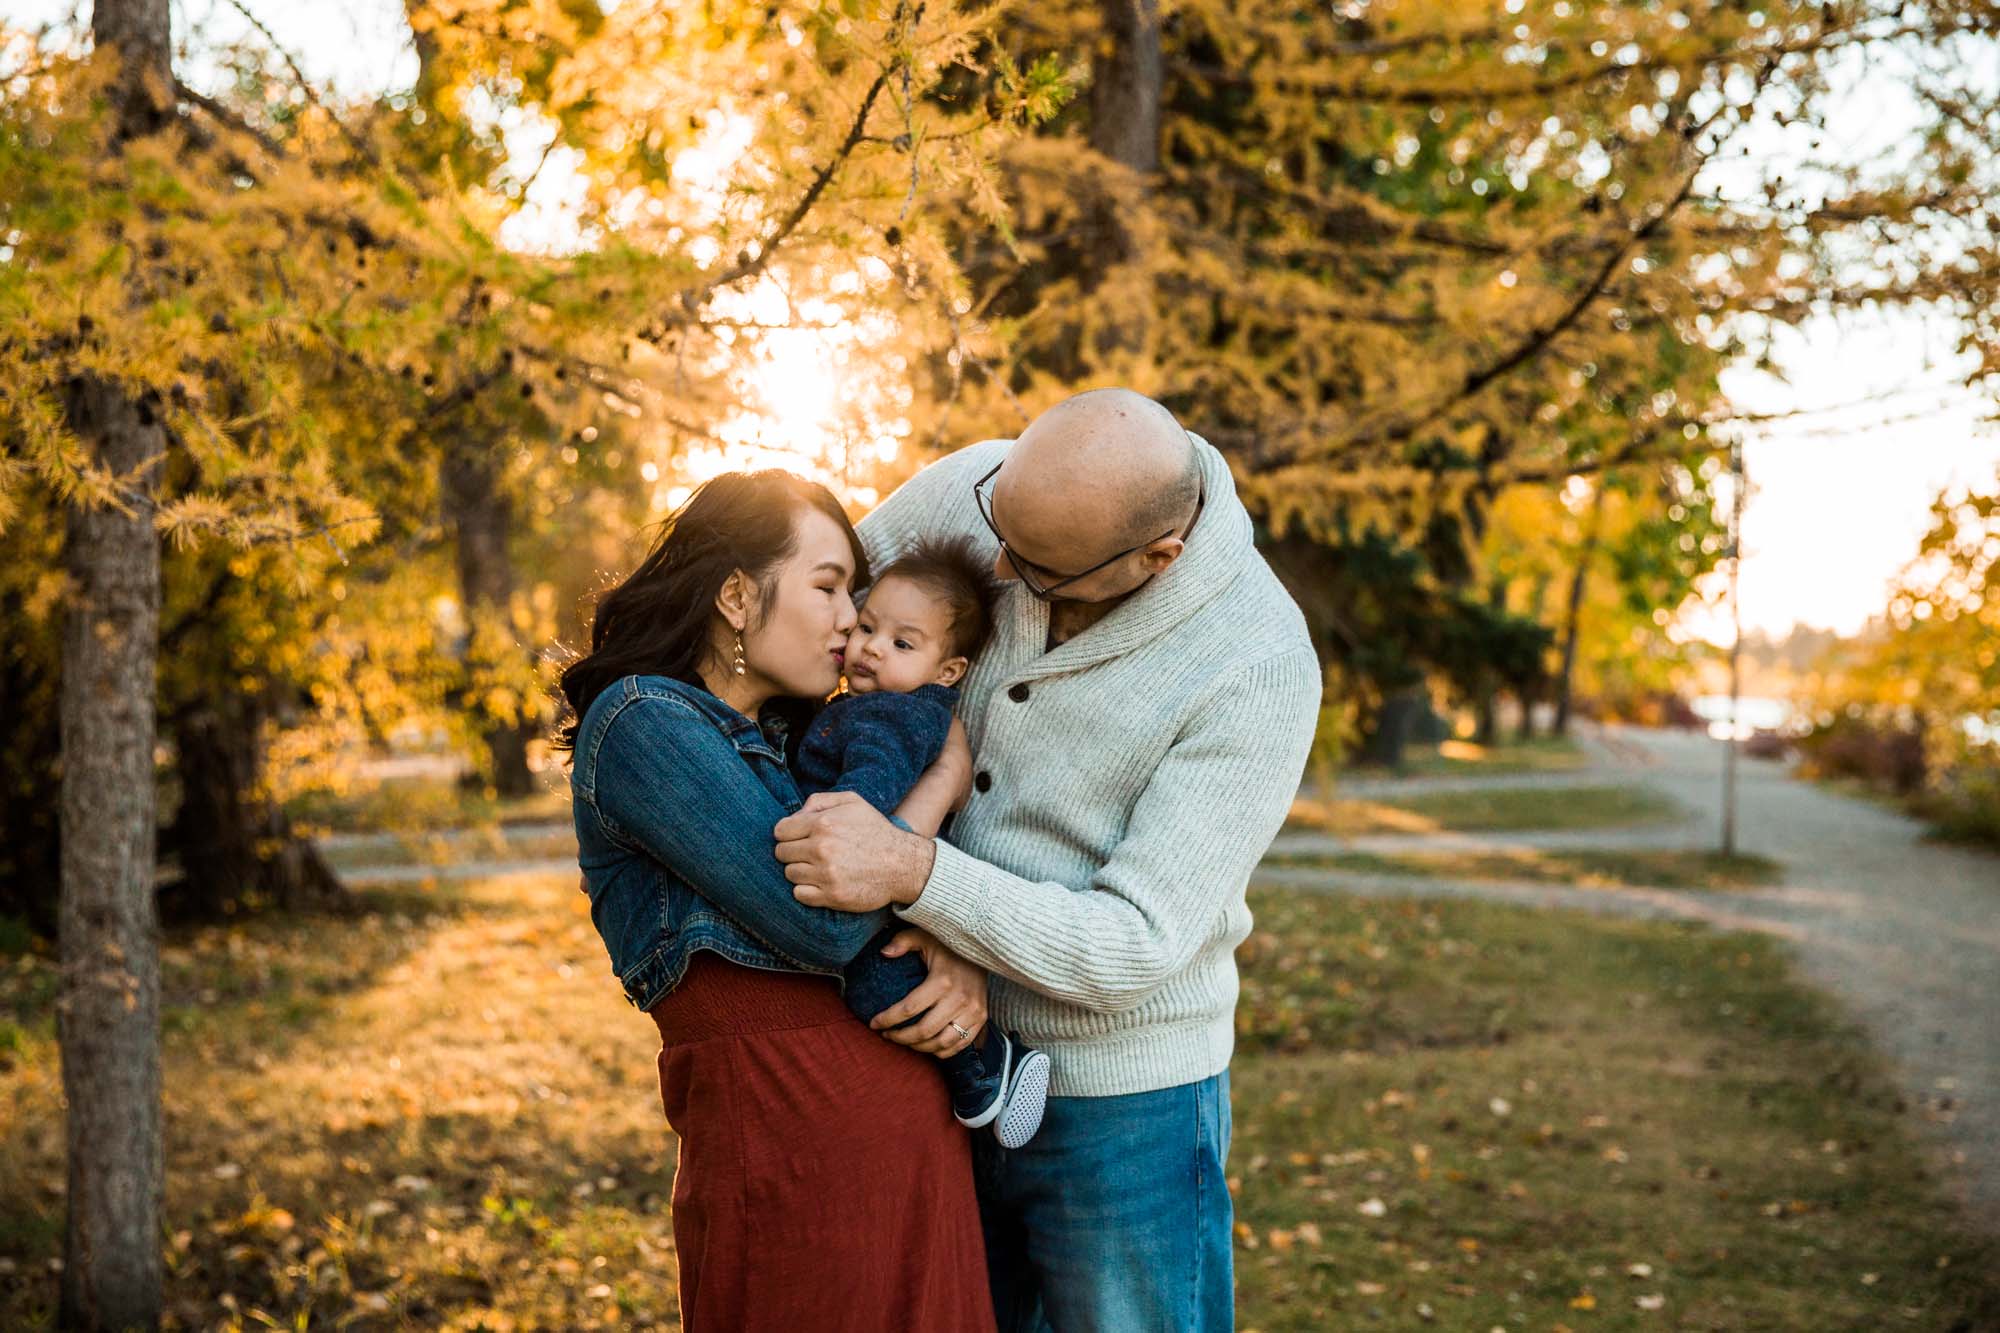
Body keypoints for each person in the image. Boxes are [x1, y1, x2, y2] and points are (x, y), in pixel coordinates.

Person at [773, 388, 1323, 1332]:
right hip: (923, 1060)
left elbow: (1134, 941)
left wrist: (922, 880)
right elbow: (808, 628)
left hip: (1122, 1107)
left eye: (1034, 568)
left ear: (1158, 558)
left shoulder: (1260, 663)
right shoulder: (971, 491)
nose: (994, 564)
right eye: (1000, 523)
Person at [557, 471, 995, 1333]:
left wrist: (957, 951)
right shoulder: (642, 721)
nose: (849, 622)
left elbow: (891, 889)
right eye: (829, 587)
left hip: (908, 1161)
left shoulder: (808, 744)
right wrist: (943, 780)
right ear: (734, 594)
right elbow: (828, 922)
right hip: (791, 1174)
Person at [795, 534, 1051, 1147]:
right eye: (868, 628)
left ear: (948, 671)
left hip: (880, 884)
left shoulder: (899, 714)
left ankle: (986, 1071)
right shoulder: (869, 703)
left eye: (902, 643)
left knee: (883, 986)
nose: (872, 648)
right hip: (878, 887)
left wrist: (849, 826)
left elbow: (871, 792)